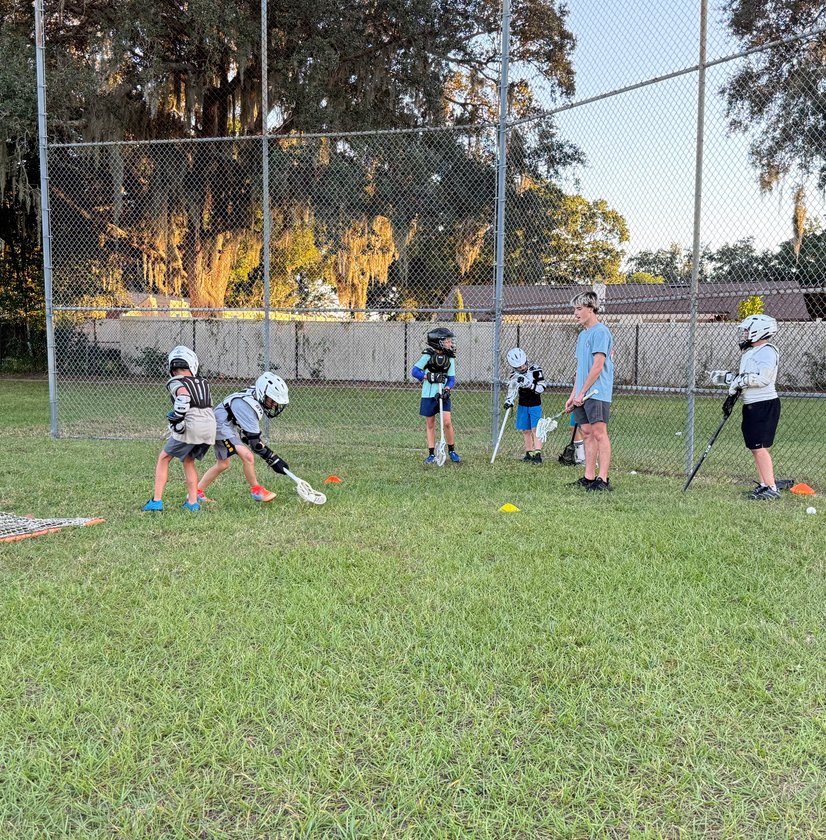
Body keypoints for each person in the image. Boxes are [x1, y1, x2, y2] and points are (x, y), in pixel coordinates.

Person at [197, 372, 290, 503]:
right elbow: (256, 444)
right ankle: (257, 491)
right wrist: (274, 460)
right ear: (263, 393)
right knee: (248, 457)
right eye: (273, 400)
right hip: (220, 427)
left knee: (223, 464)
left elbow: (248, 434)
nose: (275, 404)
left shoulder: (254, 394)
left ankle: (197, 492)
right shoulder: (247, 406)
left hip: (226, 425)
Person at [143, 345, 216, 512]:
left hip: (192, 424)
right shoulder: (203, 382)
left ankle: (156, 501)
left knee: (164, 458)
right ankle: (192, 503)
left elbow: (183, 397)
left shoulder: (176, 381)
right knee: (188, 460)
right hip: (210, 426)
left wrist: (178, 420)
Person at [717, 314, 781, 501]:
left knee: (759, 447)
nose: (744, 334)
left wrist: (740, 380)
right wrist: (728, 379)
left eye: (747, 330)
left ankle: (771, 487)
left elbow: (763, 379)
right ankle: (764, 484)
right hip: (751, 404)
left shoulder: (767, 351)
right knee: (755, 447)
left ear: (759, 331)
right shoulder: (750, 352)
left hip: (764, 404)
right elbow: (746, 377)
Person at [564, 291, 615, 491]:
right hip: (582, 394)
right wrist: (573, 395)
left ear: (591, 309)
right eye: (574, 309)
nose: (575, 313)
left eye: (579, 309)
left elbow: (598, 366)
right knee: (586, 432)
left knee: (599, 433)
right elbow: (581, 369)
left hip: (596, 393)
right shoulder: (582, 335)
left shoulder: (601, 332)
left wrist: (583, 393)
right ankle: (589, 477)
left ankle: (603, 479)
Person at [412, 327, 461, 464]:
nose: (450, 343)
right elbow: (415, 371)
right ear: (438, 342)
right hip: (428, 394)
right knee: (430, 423)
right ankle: (431, 454)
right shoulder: (428, 355)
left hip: (442, 395)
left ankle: (451, 450)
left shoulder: (450, 358)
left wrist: (447, 389)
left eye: (450, 341)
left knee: (447, 422)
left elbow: (451, 379)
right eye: (447, 341)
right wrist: (428, 376)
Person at [504, 346, 546, 463]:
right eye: (519, 367)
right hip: (522, 405)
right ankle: (529, 452)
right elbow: (512, 390)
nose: (522, 368)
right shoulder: (514, 375)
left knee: (536, 429)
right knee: (526, 430)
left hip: (535, 405)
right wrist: (509, 400)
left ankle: (537, 453)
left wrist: (529, 384)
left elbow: (542, 388)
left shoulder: (535, 370)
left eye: (523, 365)